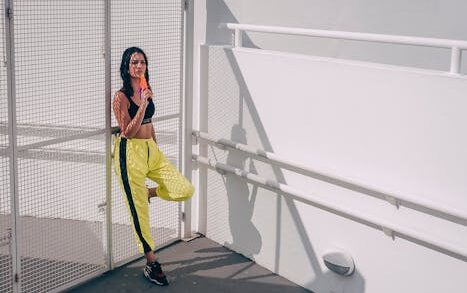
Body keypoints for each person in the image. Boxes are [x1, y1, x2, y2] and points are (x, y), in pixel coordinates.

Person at [112, 47, 194, 286]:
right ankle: (152, 263)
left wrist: (156, 149)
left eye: (142, 62)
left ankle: (149, 192)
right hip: (130, 155)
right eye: (134, 62)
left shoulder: (144, 89)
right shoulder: (121, 97)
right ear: (126, 66)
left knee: (185, 188)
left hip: (150, 151)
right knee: (140, 214)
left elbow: (150, 123)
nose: (139, 66)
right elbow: (127, 131)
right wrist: (145, 103)